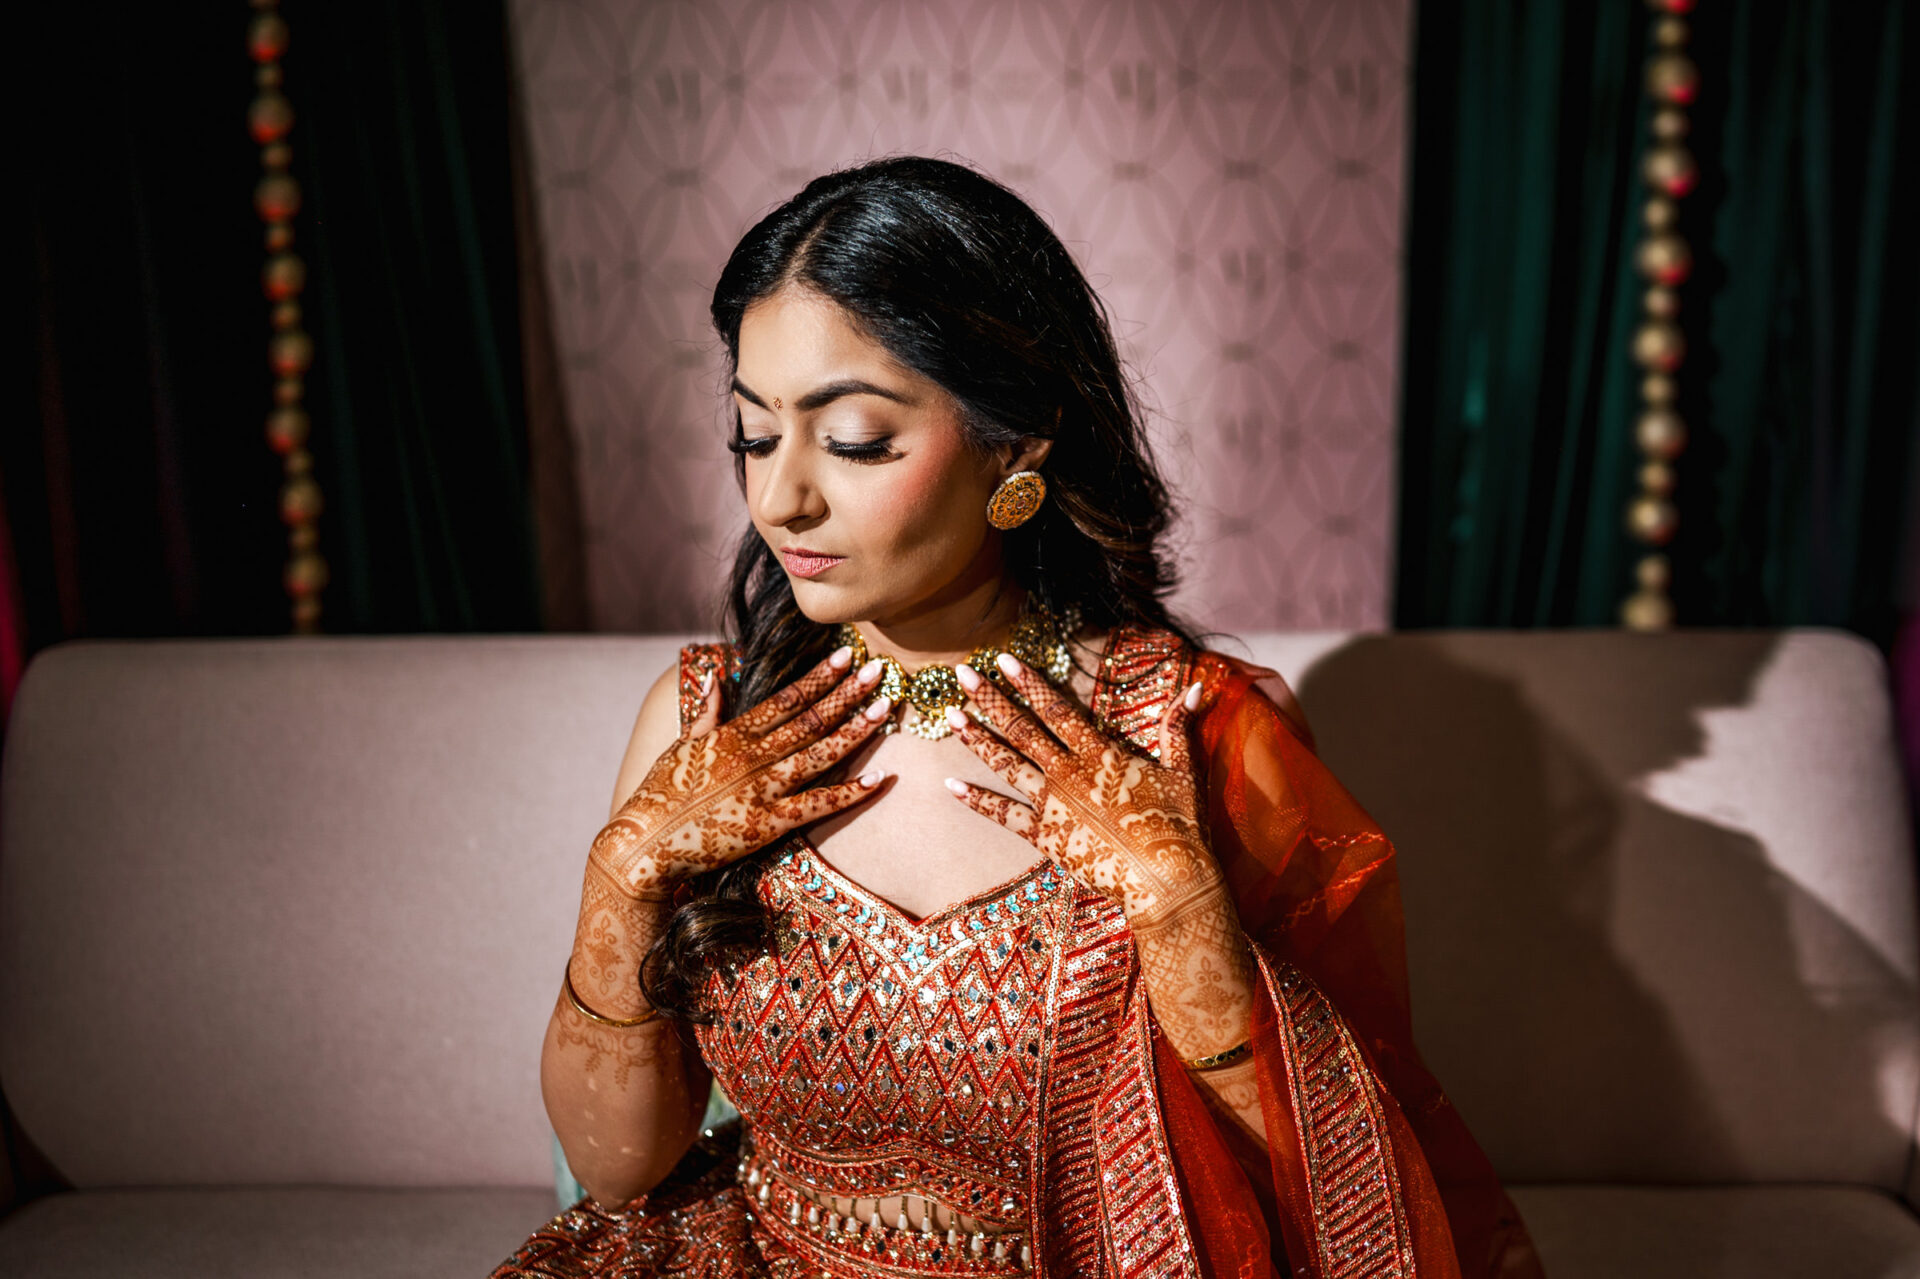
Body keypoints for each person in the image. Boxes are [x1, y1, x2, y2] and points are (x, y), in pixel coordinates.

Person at [493, 156, 1541, 1279]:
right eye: (755, 434)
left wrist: (1185, 920)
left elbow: (1338, 1196)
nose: (781, 496)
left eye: (852, 440)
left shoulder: (1186, 732)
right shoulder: (709, 722)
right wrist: (627, 880)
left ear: (1018, 440)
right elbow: (614, 1173)